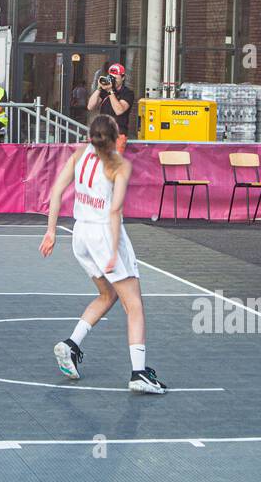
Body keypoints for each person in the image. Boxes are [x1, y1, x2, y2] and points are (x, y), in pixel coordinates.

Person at [39, 114, 168, 395]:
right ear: (115, 138)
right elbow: (114, 212)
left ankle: (71, 345)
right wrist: (112, 252)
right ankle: (138, 373)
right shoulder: (119, 165)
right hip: (103, 235)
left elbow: (57, 190)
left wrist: (51, 231)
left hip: (80, 235)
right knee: (134, 304)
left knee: (107, 295)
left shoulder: (79, 154)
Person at [87, 62, 134, 152]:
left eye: (115, 78)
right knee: (100, 163)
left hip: (118, 134)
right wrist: (99, 88)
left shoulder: (127, 93)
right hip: (102, 133)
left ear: (123, 77)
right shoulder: (105, 90)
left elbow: (119, 111)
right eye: (111, 77)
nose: (112, 80)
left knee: (113, 163)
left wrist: (110, 91)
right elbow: (90, 106)